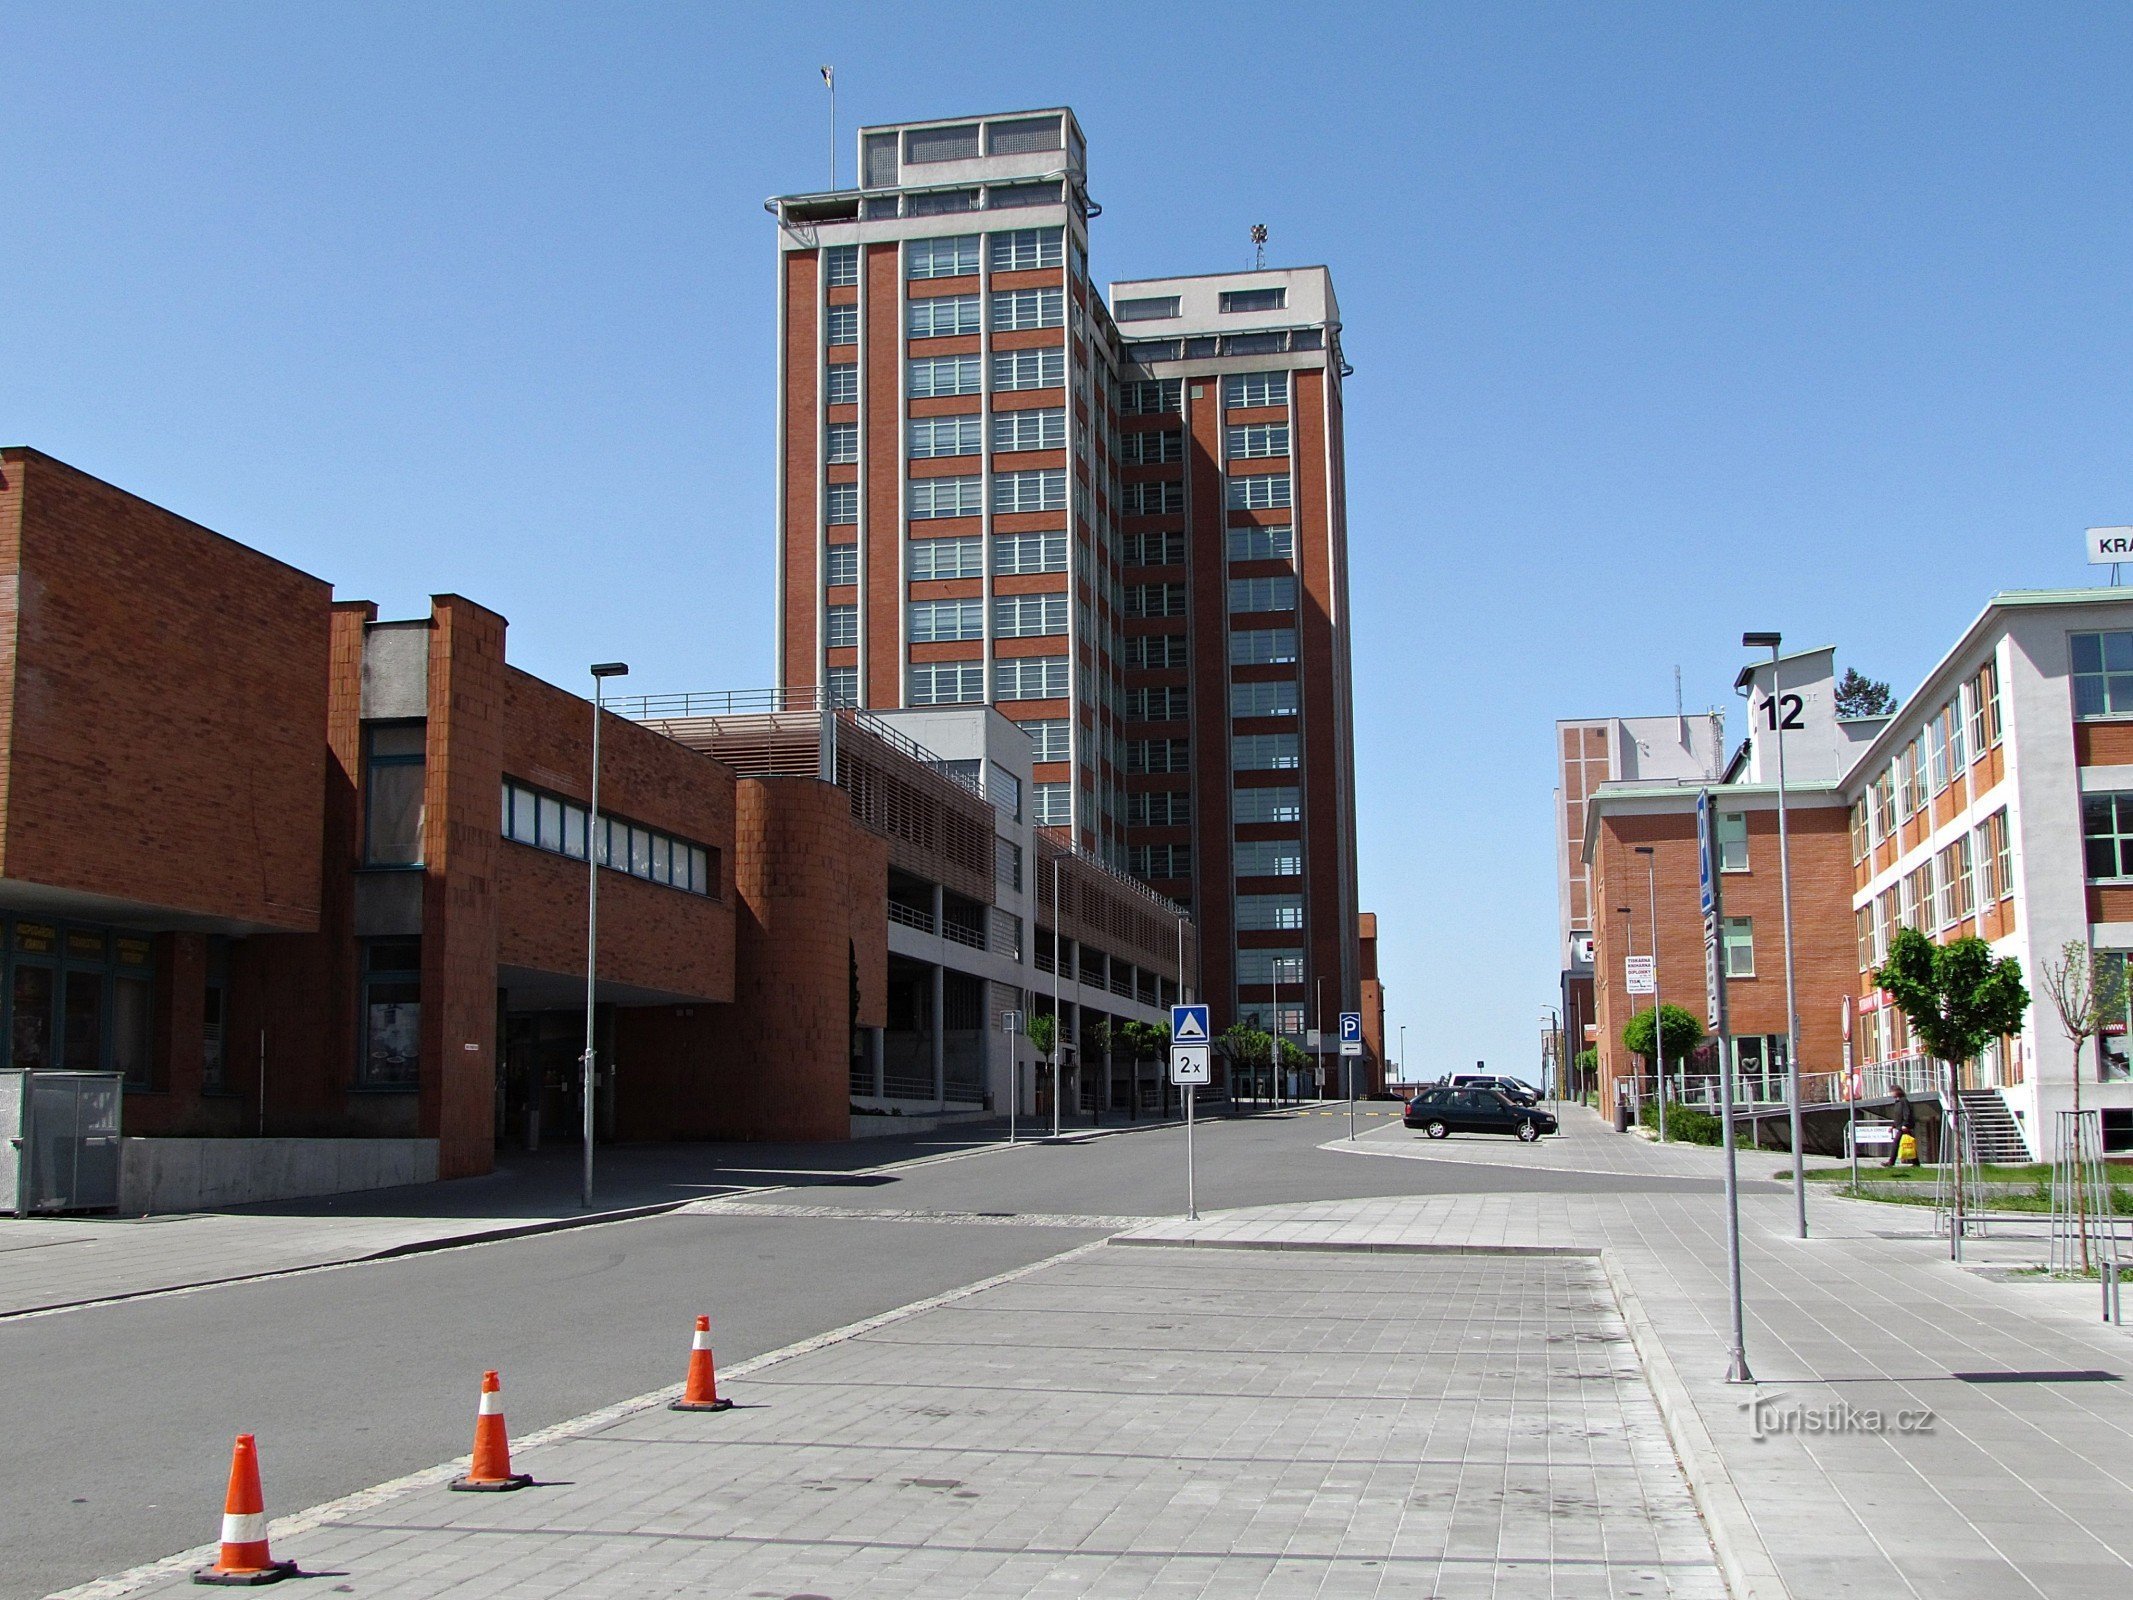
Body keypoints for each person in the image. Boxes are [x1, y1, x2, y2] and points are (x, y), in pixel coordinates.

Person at [1884, 1085, 1919, 1167]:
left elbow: (1907, 1113)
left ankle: (1891, 1162)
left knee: (1896, 1143)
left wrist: (1905, 1124)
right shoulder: (1897, 1102)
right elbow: (1897, 1116)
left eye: (1892, 1091)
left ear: (1897, 1091)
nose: (1891, 1093)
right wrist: (1893, 1126)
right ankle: (1916, 1163)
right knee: (1909, 1144)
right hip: (1900, 1126)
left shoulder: (1904, 1101)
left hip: (1904, 1127)